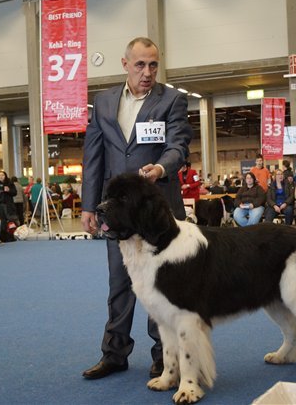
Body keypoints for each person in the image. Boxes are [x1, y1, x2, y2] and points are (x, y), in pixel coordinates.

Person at [80, 36, 192, 381]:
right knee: (120, 284)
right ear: (125, 63)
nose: (147, 72)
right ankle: (114, 354)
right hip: (118, 214)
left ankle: (163, 357)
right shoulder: (103, 102)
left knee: (162, 286)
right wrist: (89, 207)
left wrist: (160, 168)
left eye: (153, 64)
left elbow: (179, 145)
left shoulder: (172, 100)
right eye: (140, 64)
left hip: (159, 212)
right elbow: (94, 157)